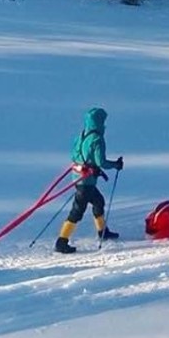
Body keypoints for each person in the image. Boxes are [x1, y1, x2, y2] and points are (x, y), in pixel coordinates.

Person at [55, 107, 124, 253]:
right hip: (86, 182)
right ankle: (61, 241)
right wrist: (115, 165)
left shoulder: (81, 135)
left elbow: (75, 156)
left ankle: (102, 231)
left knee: (98, 201)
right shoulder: (97, 139)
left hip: (79, 177)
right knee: (77, 211)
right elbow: (101, 162)